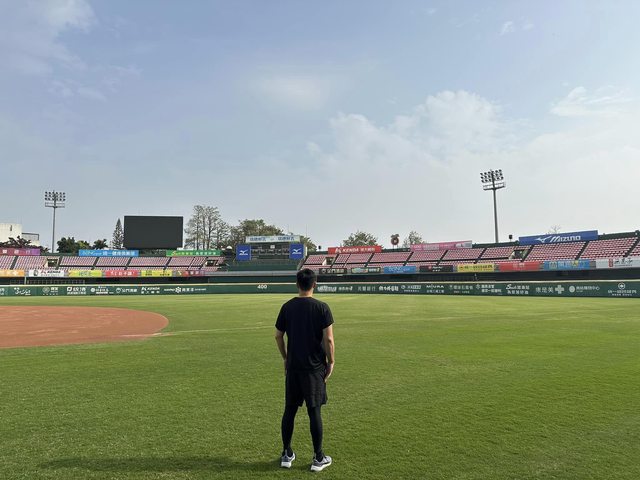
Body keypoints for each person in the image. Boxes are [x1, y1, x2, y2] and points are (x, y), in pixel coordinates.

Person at [275, 268, 335, 472]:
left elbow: (278, 335)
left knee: (289, 410)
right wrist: (331, 361)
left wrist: (285, 358)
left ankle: (286, 453)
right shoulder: (322, 308)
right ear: (314, 284)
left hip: (293, 367)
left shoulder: (287, 307)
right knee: (314, 411)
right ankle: (318, 457)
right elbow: (328, 339)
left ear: (297, 284)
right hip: (314, 368)